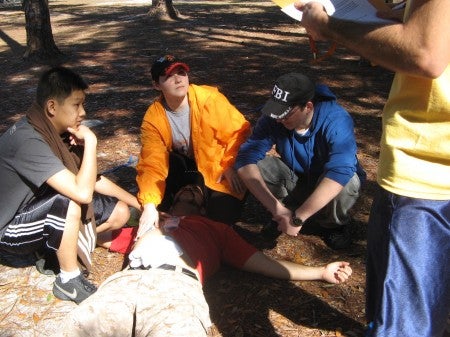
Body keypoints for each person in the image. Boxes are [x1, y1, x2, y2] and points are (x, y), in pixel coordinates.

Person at [295, 1, 450, 336]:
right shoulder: (274, 124)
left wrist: (328, 24)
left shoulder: (334, 120)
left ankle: (334, 225)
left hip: (429, 170)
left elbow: (425, 52)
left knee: (401, 326)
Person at [61, 181, 353, 337]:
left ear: (203, 208)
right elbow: (93, 238)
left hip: (176, 290)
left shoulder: (217, 231)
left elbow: (264, 264)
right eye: (186, 187)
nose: (191, 188)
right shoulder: (152, 219)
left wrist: (319, 272)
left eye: (197, 190)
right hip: (128, 280)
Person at [0, 66, 141, 304]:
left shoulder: (57, 133)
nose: (83, 112)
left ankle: (56, 245)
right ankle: (68, 280)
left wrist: (140, 203)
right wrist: (92, 143)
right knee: (70, 204)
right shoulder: (28, 140)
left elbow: (93, 180)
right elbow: (82, 193)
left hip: (38, 205)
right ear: (52, 107)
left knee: (120, 212)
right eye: (76, 105)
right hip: (9, 228)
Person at [235, 72, 365, 250]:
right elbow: (245, 159)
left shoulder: (335, 119)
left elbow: (340, 171)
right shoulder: (275, 118)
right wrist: (276, 209)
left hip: (328, 183)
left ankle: (332, 225)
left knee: (349, 180)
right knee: (258, 166)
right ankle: (284, 212)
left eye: (286, 114)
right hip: (297, 178)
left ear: (308, 107)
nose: (279, 119)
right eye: (276, 113)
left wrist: (299, 218)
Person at [136, 54, 251, 239]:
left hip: (217, 167)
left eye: (181, 73)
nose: (178, 79)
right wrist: (149, 204)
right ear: (157, 85)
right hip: (185, 170)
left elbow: (240, 133)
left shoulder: (209, 99)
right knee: (159, 213)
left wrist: (230, 164)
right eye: (169, 76)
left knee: (219, 221)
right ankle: (188, 197)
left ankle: (200, 199)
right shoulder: (154, 117)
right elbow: (152, 162)